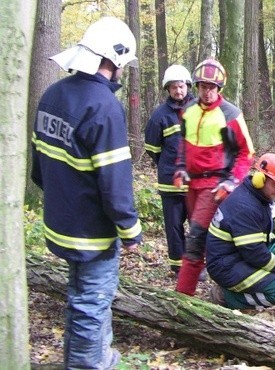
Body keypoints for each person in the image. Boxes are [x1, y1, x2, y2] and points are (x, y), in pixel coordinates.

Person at [30, 17, 142, 369]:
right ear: (115, 59)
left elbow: (38, 167)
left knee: (80, 297)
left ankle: (95, 358)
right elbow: (115, 182)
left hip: (59, 221)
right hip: (91, 231)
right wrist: (130, 229)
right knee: (92, 302)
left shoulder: (53, 94)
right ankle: (88, 365)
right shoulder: (104, 107)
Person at [175, 58, 255, 296]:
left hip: (215, 184)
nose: (207, 91)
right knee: (208, 237)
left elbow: (246, 152)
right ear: (196, 87)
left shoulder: (230, 114)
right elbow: (183, 144)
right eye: (202, 86)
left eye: (211, 87)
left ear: (219, 88)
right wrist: (180, 167)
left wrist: (232, 181)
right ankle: (226, 286)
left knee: (196, 238)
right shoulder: (188, 111)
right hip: (192, 184)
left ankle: (181, 298)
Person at [205, 153, 275, 309]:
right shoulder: (245, 206)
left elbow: (274, 215)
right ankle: (225, 296)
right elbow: (254, 253)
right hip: (226, 265)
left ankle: (255, 290)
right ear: (260, 179)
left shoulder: (258, 196)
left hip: (239, 256)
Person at [144, 65, 195, 275]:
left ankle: (196, 265)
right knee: (174, 228)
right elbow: (152, 148)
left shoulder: (199, 109)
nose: (178, 91)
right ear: (168, 89)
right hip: (170, 182)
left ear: (187, 86)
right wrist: (167, 165)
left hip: (195, 181)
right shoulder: (159, 116)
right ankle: (178, 267)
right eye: (173, 87)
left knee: (197, 226)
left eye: (181, 86)